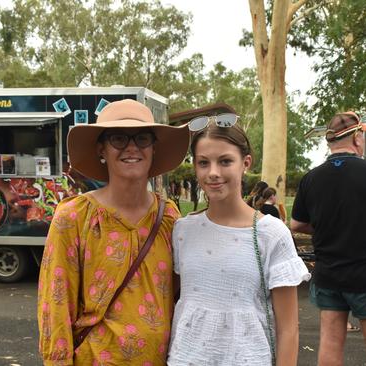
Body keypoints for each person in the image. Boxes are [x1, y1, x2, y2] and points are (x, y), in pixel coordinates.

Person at [37, 99, 190, 365]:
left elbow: (179, 297)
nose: (131, 147)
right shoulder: (74, 217)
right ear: (101, 150)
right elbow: (56, 304)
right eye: (118, 138)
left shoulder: (167, 216)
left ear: (154, 149)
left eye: (142, 138)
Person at [168, 117, 310, 365]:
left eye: (225, 161)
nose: (213, 173)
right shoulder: (183, 229)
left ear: (245, 163)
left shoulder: (271, 233)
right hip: (185, 358)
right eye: (203, 163)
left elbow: (288, 329)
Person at [291, 111, 366, 366]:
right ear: (357, 138)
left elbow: (297, 223)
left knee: (330, 341)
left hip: (328, 275)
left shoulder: (311, 178)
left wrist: (328, 226)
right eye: (364, 136)